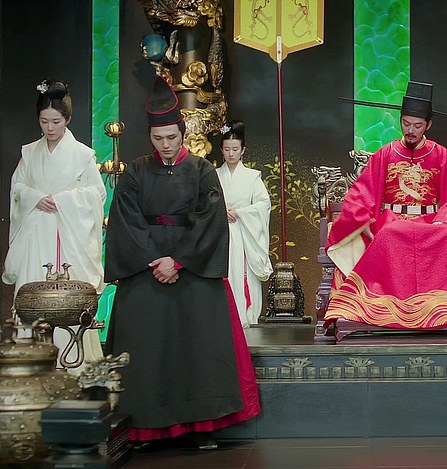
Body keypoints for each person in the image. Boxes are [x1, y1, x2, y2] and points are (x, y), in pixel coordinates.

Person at [104, 77, 259, 449]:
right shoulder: (136, 172)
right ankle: (143, 427)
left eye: (171, 137)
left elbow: (211, 219)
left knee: (198, 348)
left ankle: (201, 426)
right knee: (145, 348)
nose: (166, 145)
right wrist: (154, 261)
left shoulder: (202, 170)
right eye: (158, 138)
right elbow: (126, 220)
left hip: (192, 268)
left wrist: (179, 261)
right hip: (146, 268)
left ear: (182, 133)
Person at [324, 81, 447, 329]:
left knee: (446, 235)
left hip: (432, 223)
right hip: (393, 221)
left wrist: (444, 221)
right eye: (406, 123)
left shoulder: (441, 155)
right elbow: (362, 191)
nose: (411, 130)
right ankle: (383, 308)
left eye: (418, 125)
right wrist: (363, 219)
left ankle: (444, 308)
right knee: (389, 234)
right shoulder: (385, 154)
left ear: (428, 125)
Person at [3, 78, 105, 370]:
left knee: (69, 299)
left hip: (68, 233)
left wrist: (64, 200)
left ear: (67, 119)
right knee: (33, 292)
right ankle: (31, 365)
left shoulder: (82, 155)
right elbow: (18, 188)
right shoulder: (29, 153)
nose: (50, 128)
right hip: (36, 232)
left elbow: (97, 193)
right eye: (44, 121)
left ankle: (73, 364)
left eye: (56, 121)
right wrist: (34, 197)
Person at [216, 120, 273, 328]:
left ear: (243, 150)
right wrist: (220, 211)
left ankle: (246, 316)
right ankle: (224, 317)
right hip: (220, 234)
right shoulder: (214, 176)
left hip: (244, 233)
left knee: (243, 275)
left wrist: (240, 213)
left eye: (235, 149)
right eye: (227, 149)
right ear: (221, 150)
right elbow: (203, 204)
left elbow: (264, 205)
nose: (231, 153)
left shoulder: (252, 177)